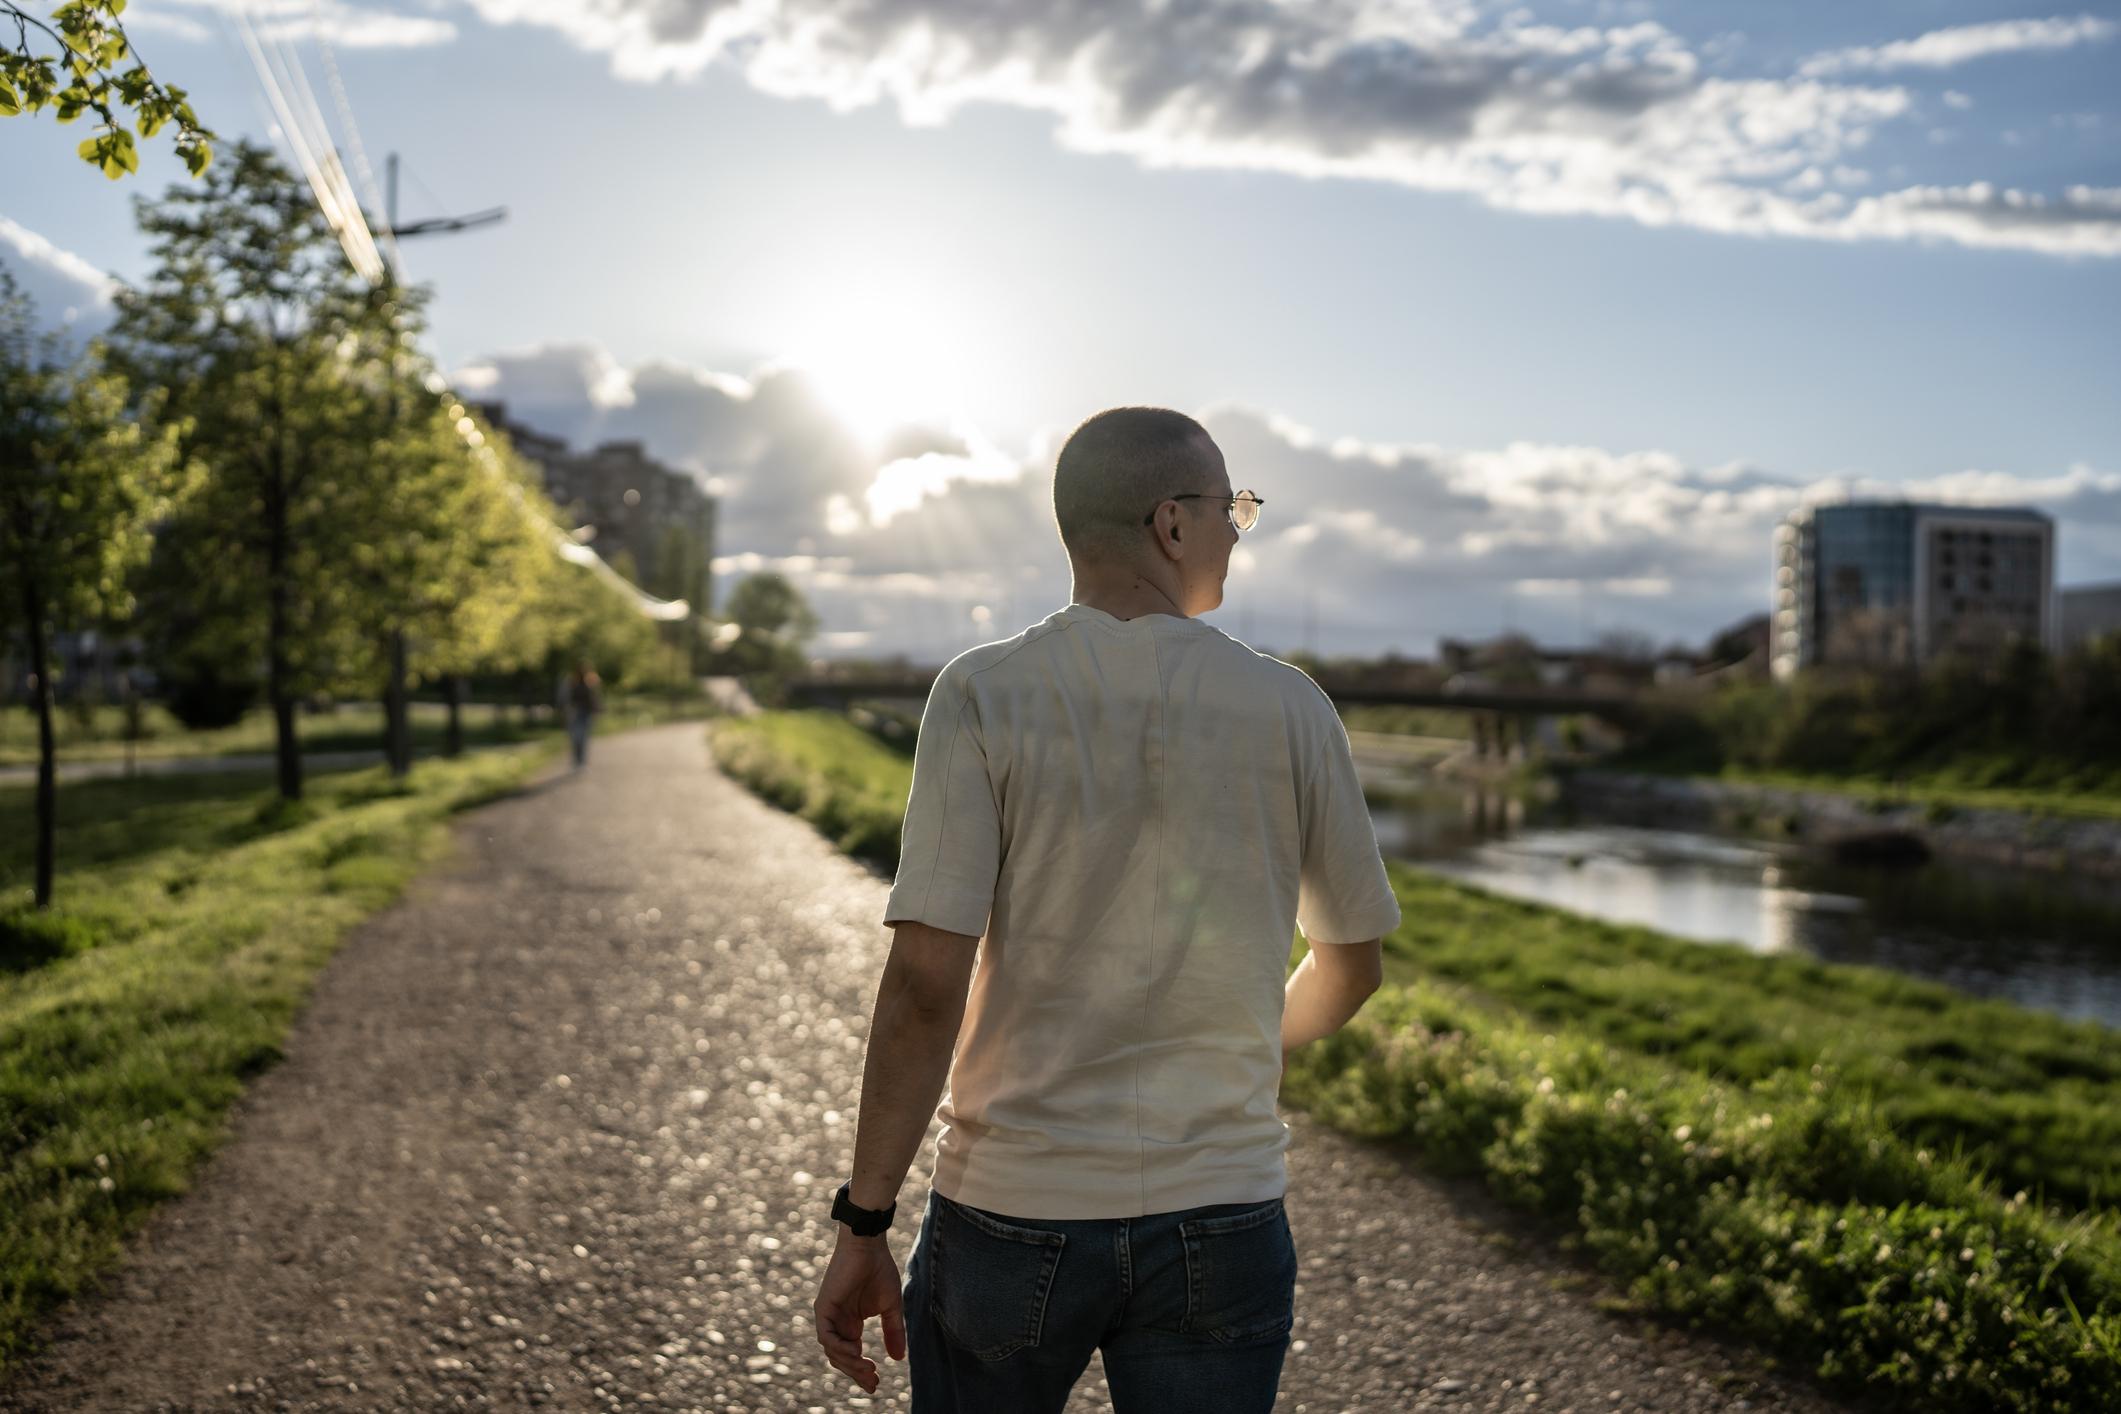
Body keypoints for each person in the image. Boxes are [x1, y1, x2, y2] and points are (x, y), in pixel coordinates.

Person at [812, 406, 1400, 1412]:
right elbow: (1351, 963)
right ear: (1172, 523)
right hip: (1225, 1212)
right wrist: (1231, 1043)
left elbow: (922, 984)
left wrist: (863, 1222)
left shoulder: (985, 691)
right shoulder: (1291, 706)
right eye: (1233, 509)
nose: (1236, 532)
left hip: (1011, 1209)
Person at [562, 661, 601, 769]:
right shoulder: (571, 681)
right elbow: (567, 698)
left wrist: (596, 709)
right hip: (575, 712)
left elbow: (594, 698)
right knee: (576, 738)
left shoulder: (591, 681)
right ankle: (577, 760)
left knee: (583, 738)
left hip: (585, 713)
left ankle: (582, 760)